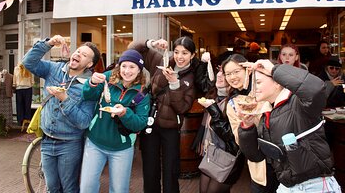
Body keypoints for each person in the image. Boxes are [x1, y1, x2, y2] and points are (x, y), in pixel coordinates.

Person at [238, 59, 341, 192]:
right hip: (287, 186)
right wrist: (247, 127)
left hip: (314, 185)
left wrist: (273, 70)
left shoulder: (299, 104)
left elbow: (316, 89)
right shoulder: (267, 114)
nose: (254, 88)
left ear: (277, 83)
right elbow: (256, 156)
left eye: (258, 83)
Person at [22, 35, 100, 192]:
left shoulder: (91, 85)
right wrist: (48, 44)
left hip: (70, 143)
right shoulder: (54, 69)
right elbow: (28, 62)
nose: (78, 55)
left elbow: (84, 121)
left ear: (89, 64)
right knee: (52, 188)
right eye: (78, 51)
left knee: (69, 188)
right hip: (46, 140)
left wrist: (64, 99)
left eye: (84, 55)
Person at [129, 36, 197, 193]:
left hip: (171, 128)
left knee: (171, 170)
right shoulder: (161, 62)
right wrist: (151, 43)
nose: (180, 57)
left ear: (192, 55)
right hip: (150, 124)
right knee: (150, 168)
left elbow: (182, 108)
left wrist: (174, 84)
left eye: (185, 53)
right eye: (177, 51)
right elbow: (133, 49)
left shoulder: (192, 78)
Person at [79, 49, 150, 193]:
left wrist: (125, 113)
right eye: (124, 66)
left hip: (122, 148)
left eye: (132, 67)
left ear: (139, 70)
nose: (127, 71)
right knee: (86, 187)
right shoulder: (108, 78)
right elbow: (87, 95)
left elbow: (141, 122)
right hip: (95, 143)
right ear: (119, 66)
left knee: (119, 190)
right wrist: (91, 82)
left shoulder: (141, 93)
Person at [221, 54, 279, 193]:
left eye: (236, 71)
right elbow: (240, 140)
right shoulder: (233, 104)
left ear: (248, 69)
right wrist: (246, 125)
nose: (232, 77)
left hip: (286, 160)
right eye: (228, 74)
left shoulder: (267, 87)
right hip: (262, 167)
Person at [197, 65, 245, 193]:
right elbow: (200, 79)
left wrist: (214, 110)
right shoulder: (214, 95)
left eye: (224, 73)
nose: (219, 75)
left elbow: (229, 135)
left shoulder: (238, 101)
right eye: (219, 71)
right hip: (212, 153)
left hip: (228, 157)